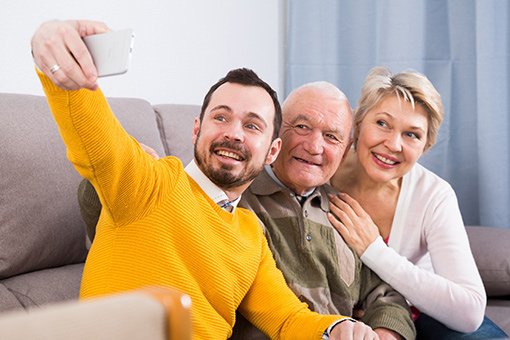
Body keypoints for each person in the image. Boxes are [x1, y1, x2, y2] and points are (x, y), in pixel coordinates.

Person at [31, 19, 379, 340]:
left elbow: (286, 319)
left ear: (272, 151)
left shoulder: (250, 234)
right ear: (196, 129)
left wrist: (338, 328)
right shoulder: (149, 181)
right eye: (221, 117)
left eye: (252, 125)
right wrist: (50, 44)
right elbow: (91, 128)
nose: (234, 134)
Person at [77, 81, 416, 340]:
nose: (314, 146)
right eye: (301, 126)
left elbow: (383, 294)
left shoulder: (348, 213)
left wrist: (376, 331)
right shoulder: (229, 192)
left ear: (345, 151)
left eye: (331, 136)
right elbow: (122, 214)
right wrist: (112, 178)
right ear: (276, 141)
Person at [327, 66, 509, 340]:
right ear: (358, 123)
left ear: (426, 146)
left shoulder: (433, 195)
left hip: (417, 312)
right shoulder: (320, 171)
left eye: (412, 134)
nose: (393, 144)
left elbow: (470, 312)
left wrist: (374, 250)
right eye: (382, 123)